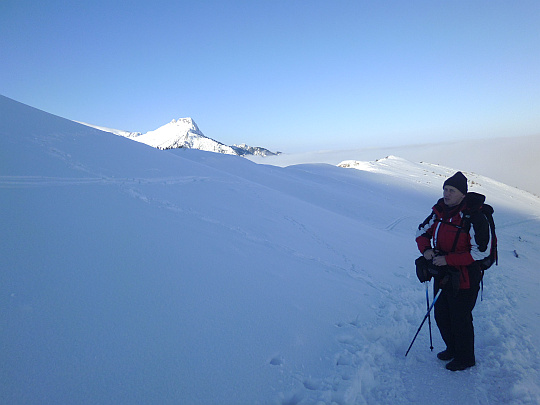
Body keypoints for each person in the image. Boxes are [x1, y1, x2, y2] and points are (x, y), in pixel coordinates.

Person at [415, 171, 491, 371]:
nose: (446, 194)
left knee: (460, 318)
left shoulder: (474, 217)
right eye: (445, 189)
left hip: (465, 278)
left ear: (462, 195)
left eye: (452, 190)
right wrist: (427, 250)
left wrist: (447, 259)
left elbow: (481, 252)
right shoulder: (439, 212)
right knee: (441, 315)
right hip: (442, 275)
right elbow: (421, 232)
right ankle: (452, 348)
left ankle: (465, 357)